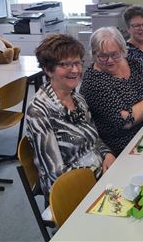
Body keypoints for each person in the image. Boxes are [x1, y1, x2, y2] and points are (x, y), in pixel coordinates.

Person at [25, 34, 115, 196]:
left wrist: (106, 154)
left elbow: (94, 138)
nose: (74, 70)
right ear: (48, 69)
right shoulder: (38, 111)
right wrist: (97, 178)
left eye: (77, 63)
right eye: (65, 65)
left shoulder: (78, 98)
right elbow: (56, 172)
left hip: (97, 174)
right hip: (70, 189)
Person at [80, 27, 143, 156]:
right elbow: (126, 121)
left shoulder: (133, 62)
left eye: (115, 54)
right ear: (93, 55)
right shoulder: (94, 81)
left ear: (122, 50)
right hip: (125, 146)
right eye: (103, 56)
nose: (109, 60)